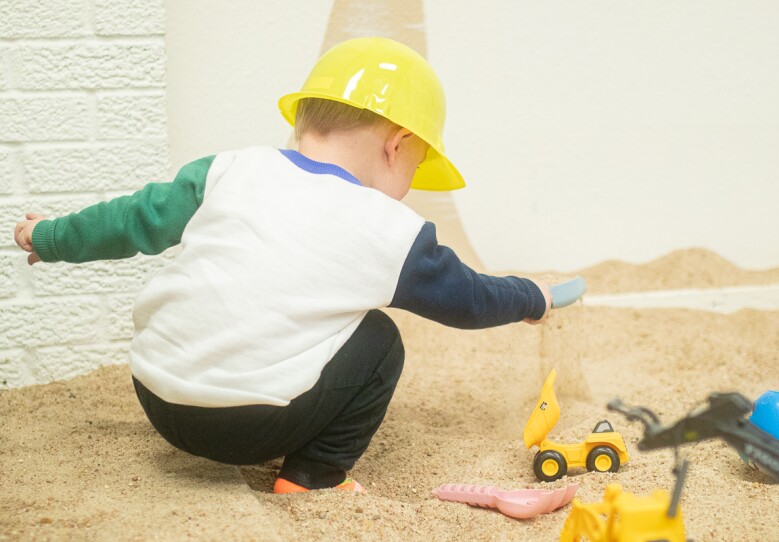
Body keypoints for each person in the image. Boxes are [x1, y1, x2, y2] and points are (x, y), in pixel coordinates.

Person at [13, 37, 552, 494]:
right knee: (379, 337)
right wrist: (532, 296)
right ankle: (315, 476)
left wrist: (52, 236)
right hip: (244, 428)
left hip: (156, 394)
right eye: (415, 166)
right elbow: (470, 300)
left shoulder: (230, 169)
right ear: (397, 145)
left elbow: (134, 219)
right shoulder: (388, 228)